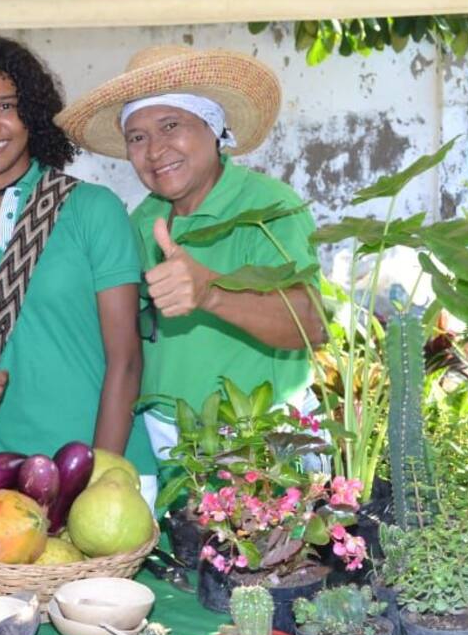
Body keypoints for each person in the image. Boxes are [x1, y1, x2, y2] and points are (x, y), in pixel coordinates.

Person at [55, 45, 325, 462]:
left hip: (259, 446)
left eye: (170, 125)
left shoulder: (269, 207)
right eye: (138, 138)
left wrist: (210, 293)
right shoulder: (145, 219)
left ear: (213, 127)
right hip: (162, 441)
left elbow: (311, 325)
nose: (155, 150)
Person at [0, 37, 157, 498]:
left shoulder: (92, 210)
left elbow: (125, 361)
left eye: (6, 105)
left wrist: (93, 484)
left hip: (109, 470)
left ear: (34, 113)